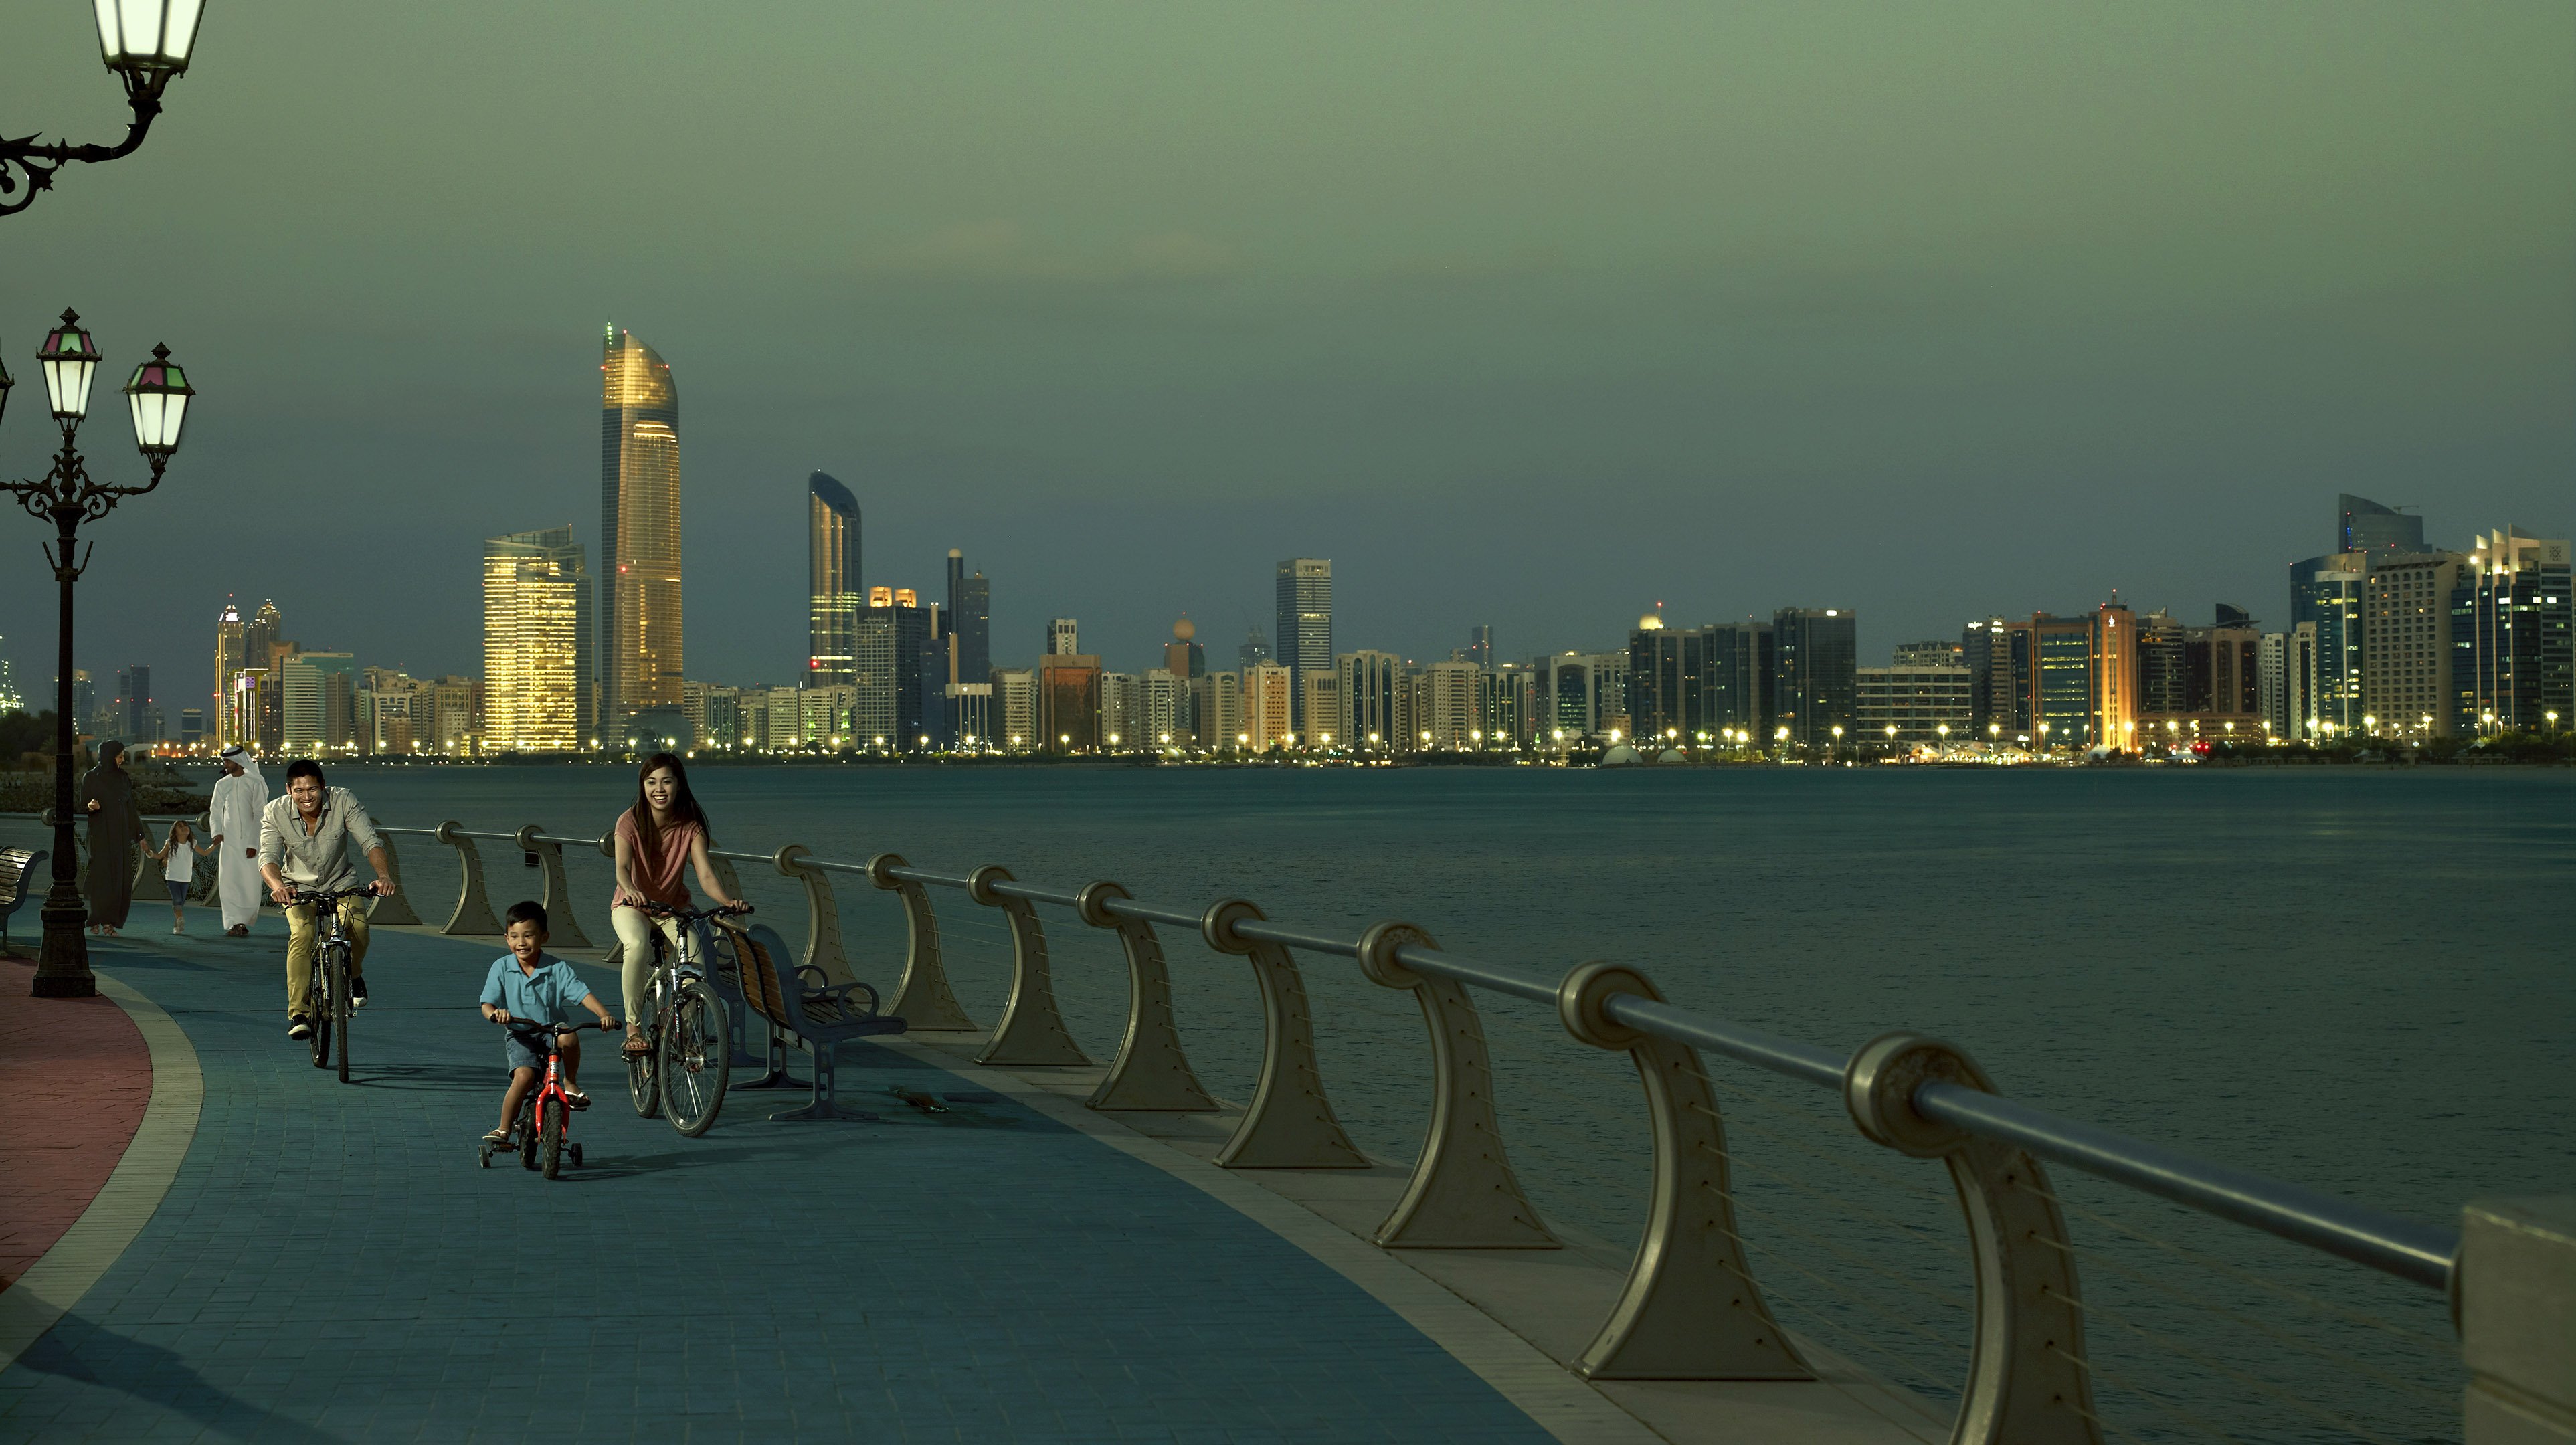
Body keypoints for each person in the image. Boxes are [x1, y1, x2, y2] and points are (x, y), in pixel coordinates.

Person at [608, 751, 746, 1059]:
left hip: (673, 908)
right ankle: (633, 1029)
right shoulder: (628, 821)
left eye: (667, 781)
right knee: (637, 945)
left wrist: (726, 901)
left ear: (679, 785)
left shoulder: (691, 826)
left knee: (697, 963)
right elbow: (621, 868)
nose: (659, 789)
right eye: (651, 782)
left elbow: (706, 874)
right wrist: (630, 889)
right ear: (643, 787)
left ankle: (679, 1028)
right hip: (632, 905)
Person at [258, 759, 395, 1040]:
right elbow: (268, 857)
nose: (306, 797)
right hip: (297, 888)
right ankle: (299, 1012)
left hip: (341, 883)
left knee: (358, 928)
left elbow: (370, 842)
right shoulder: (275, 811)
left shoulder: (343, 799)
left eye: (312, 789)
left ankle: (354, 976)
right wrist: (277, 886)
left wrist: (383, 875)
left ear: (322, 786)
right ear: (288, 790)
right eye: (299, 791)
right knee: (302, 936)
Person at [479, 900, 617, 1146]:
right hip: (520, 1033)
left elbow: (582, 994)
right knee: (523, 1077)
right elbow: (487, 1003)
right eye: (514, 936)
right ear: (507, 939)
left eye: (529, 935)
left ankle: (570, 1083)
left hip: (552, 1030)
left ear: (544, 936)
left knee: (569, 1037)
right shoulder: (501, 967)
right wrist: (495, 1014)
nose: (521, 942)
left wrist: (603, 1014)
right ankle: (503, 1128)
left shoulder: (557, 968)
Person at [78, 740, 148, 937]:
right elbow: (84, 802)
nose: (123, 760)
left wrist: (140, 835)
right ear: (110, 757)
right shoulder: (91, 777)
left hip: (121, 835)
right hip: (99, 833)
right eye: (120, 756)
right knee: (100, 876)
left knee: (119, 878)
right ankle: (96, 918)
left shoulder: (123, 778)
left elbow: (130, 807)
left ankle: (110, 921)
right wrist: (91, 806)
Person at [207, 745, 268, 936]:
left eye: (228, 761)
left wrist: (253, 843)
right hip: (229, 841)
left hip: (251, 841)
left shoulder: (254, 782)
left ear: (239, 761)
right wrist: (217, 832)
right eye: (224, 761)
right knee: (229, 880)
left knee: (249, 882)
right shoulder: (222, 784)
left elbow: (260, 812)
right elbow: (215, 811)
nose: (225, 765)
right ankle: (234, 923)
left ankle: (244, 921)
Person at [151, 819, 213, 935]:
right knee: (177, 900)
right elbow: (160, 855)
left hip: (186, 878)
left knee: (181, 902)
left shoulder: (192, 843)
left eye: (186, 826)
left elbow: (205, 853)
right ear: (175, 831)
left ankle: (177, 924)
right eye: (180, 826)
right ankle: (180, 919)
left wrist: (216, 844)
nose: (185, 828)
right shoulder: (169, 842)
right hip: (172, 877)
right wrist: (149, 853)